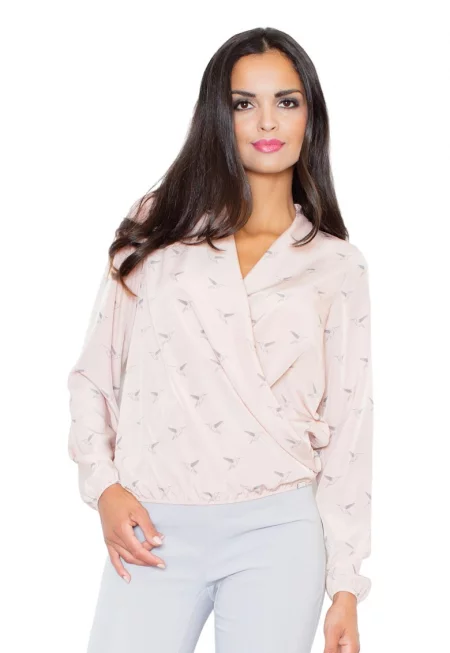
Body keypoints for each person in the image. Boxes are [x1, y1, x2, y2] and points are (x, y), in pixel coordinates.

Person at [67, 26, 373, 653]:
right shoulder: (160, 227)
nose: (267, 121)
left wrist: (345, 584)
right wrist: (105, 488)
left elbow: (350, 427)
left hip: (279, 533)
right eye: (243, 103)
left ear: (310, 115)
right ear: (218, 115)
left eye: (287, 101)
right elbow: (95, 376)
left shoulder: (337, 265)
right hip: (153, 525)